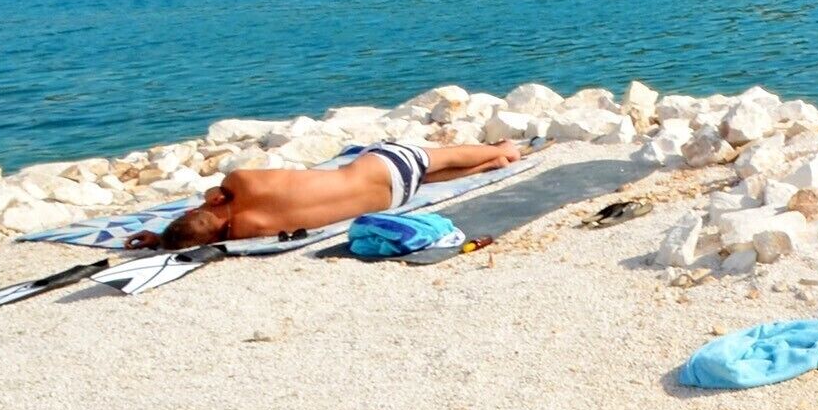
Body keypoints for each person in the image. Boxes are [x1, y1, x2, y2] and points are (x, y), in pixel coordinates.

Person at [136, 138, 526, 248]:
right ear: (211, 204)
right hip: (384, 165)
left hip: (394, 197)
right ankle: (502, 150)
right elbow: (215, 198)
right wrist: (214, 192)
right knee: (438, 156)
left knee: (423, 178)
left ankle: (489, 165)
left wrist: (160, 242)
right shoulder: (239, 183)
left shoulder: (247, 230)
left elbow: (200, 236)